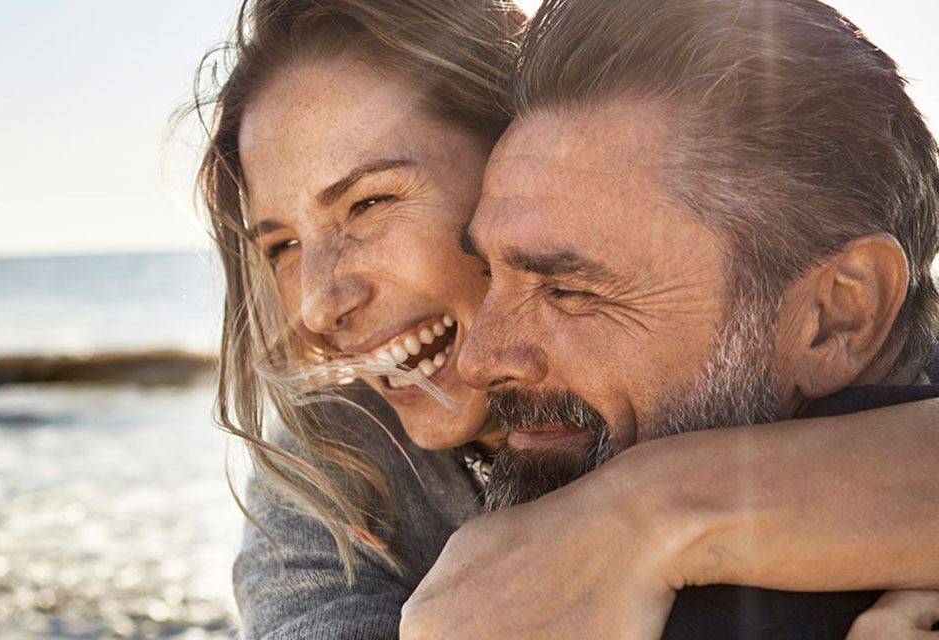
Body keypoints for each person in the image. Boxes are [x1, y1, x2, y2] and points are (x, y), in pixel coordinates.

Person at [189, 0, 939, 638]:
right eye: (280, 245)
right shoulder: (337, 460)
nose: (317, 306)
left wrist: (647, 514)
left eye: (370, 202)